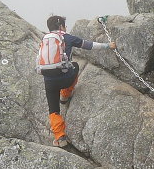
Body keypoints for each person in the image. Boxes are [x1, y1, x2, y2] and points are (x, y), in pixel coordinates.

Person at [36, 15, 113, 147]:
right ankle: (65, 95)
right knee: (75, 66)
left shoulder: (45, 40)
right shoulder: (68, 38)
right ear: (61, 26)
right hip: (65, 78)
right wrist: (107, 45)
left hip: (49, 81)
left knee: (53, 110)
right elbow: (89, 45)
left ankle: (60, 137)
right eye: (65, 25)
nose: (66, 28)